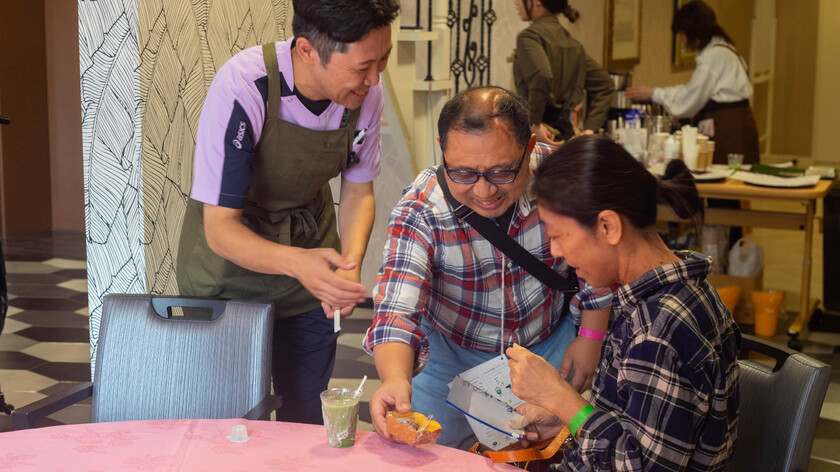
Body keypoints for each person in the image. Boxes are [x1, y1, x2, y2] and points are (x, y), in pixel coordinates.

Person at [176, 0, 400, 425]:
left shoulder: (364, 94)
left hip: (309, 267)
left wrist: (348, 268)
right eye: (362, 67)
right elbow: (221, 229)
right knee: (233, 420)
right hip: (228, 273)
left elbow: (357, 192)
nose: (374, 79)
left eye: (383, 61)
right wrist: (299, 264)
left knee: (307, 415)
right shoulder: (245, 86)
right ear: (306, 50)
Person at [364, 86, 613, 450]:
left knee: (561, 452)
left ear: (528, 149)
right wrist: (394, 378)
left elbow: (600, 257)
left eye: (501, 172)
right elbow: (396, 308)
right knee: (430, 456)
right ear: (443, 149)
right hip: (451, 356)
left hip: (548, 345)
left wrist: (591, 337)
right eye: (463, 173)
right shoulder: (421, 207)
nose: (483, 191)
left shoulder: (561, 174)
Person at [505, 135, 741, 471]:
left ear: (608, 226)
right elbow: (635, 424)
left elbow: (640, 466)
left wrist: (560, 397)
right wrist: (566, 420)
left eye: (558, 235)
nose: (556, 252)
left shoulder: (657, 332)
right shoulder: (686, 291)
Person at [625, 0, 759, 165]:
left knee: (728, 182)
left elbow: (690, 100)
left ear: (694, 31)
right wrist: (655, 92)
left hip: (728, 129)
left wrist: (653, 93)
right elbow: (692, 91)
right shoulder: (724, 49)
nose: (681, 40)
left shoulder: (713, 56)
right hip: (737, 124)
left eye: (682, 34)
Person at [512, 0, 614, 146]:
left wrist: (534, 123)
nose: (516, 2)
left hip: (539, 134)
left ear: (538, 2)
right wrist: (590, 128)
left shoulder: (528, 37)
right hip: (565, 135)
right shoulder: (575, 45)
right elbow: (605, 83)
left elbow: (542, 76)